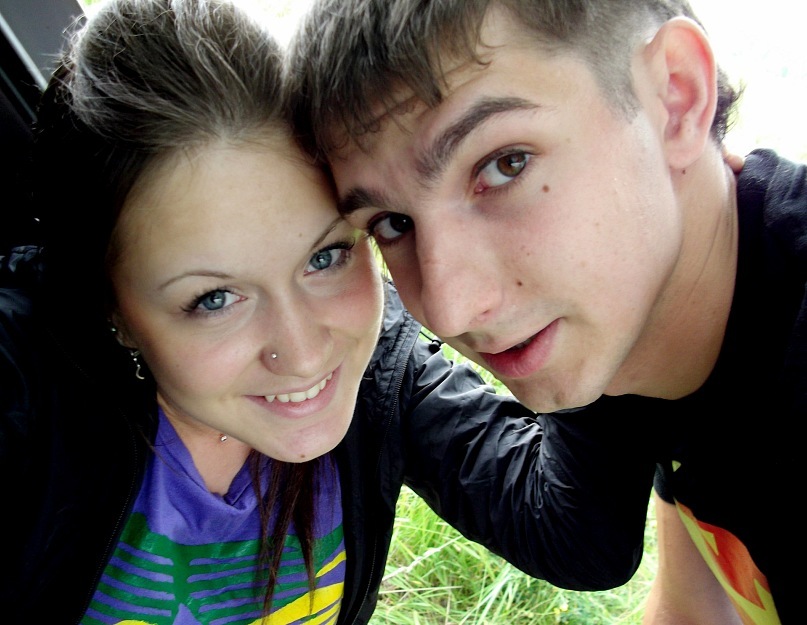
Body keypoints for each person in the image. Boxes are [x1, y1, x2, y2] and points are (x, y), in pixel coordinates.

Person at [0, 0, 665, 622]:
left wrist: (584, 302)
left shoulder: (380, 369)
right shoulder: (28, 400)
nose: (303, 351)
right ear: (112, 305)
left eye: (325, 257)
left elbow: (574, 535)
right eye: (214, 298)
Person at [285, 1, 803, 624]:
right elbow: (692, 610)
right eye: (392, 224)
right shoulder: (653, 325)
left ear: (675, 96)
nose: (449, 310)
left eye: (505, 164)